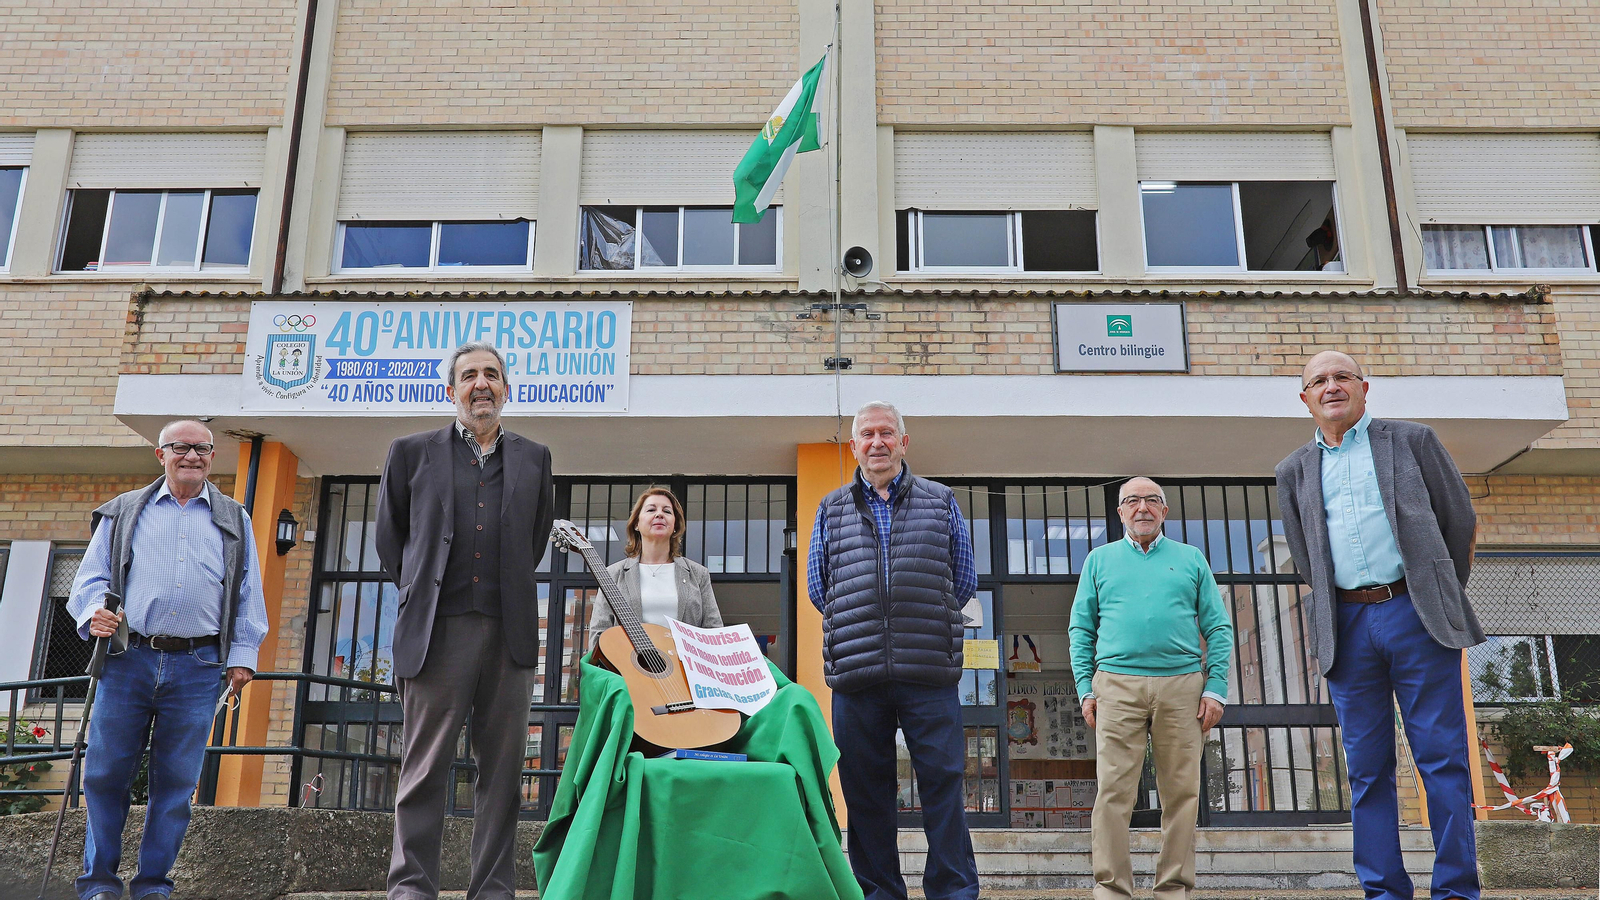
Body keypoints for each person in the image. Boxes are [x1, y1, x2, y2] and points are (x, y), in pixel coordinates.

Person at [1276, 350, 1484, 900]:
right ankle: (1384, 890)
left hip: (1414, 614)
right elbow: (1305, 555)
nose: (1331, 386)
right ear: (1305, 399)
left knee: (1441, 759)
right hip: (1346, 625)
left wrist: (1436, 593)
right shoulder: (1292, 470)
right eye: (1318, 381)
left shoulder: (1413, 441)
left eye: (1342, 376)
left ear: (1364, 387)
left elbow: (1458, 517)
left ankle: (1457, 889)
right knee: (1367, 770)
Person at [376, 341, 556, 900]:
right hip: (436, 633)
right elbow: (392, 540)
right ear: (450, 390)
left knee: (502, 777)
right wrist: (419, 592)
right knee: (424, 769)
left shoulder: (535, 457)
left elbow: (533, 540)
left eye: (492, 376)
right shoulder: (410, 452)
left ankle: (494, 889)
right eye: (470, 376)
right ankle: (411, 887)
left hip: (508, 636)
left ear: (508, 388)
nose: (482, 384)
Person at [66, 419, 268, 900]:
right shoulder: (125, 511)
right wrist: (95, 612)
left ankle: (154, 886)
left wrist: (242, 655)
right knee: (105, 773)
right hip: (128, 659)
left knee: (176, 783)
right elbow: (91, 578)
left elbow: (246, 592)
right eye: (181, 448)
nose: (192, 456)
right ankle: (99, 886)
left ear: (212, 457)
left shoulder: (234, 517)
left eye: (202, 449)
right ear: (161, 455)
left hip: (198, 667)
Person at [806, 400, 979, 900]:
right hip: (858, 674)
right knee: (864, 795)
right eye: (867, 434)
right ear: (854, 445)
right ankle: (879, 893)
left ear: (903, 443)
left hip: (929, 671)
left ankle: (953, 891)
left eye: (887, 433)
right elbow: (822, 589)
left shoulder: (940, 500)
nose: (877, 442)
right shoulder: (832, 508)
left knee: (944, 787)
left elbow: (962, 580)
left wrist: (918, 619)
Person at [1069, 477, 1232, 900]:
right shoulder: (1098, 560)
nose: (1142, 507)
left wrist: (1215, 687)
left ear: (1164, 510)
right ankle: (1111, 889)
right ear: (1120, 511)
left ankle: (1173, 888)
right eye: (1132, 501)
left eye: (1152, 500)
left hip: (1182, 686)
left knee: (1181, 792)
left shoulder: (1191, 558)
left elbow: (1217, 626)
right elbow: (1081, 628)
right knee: (1112, 792)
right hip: (1115, 686)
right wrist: (1085, 687)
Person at [588, 487, 723, 646]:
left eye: (667, 511)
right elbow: (599, 635)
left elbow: (714, 631)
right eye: (651, 509)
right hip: (627, 669)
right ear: (636, 524)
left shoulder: (698, 574)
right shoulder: (612, 574)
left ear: (675, 526)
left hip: (685, 669)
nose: (659, 514)